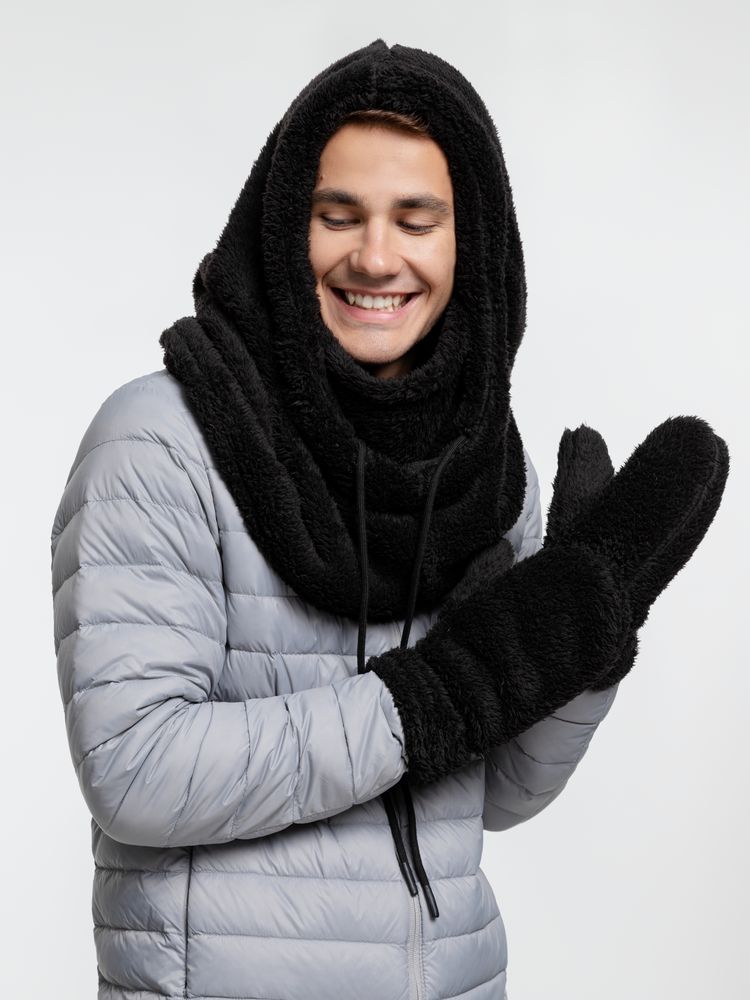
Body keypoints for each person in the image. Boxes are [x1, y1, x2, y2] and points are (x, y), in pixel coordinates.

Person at [50, 39, 728, 1000]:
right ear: (284, 227)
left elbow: (499, 794)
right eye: (338, 217)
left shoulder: (486, 468)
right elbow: (136, 771)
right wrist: (431, 696)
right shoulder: (164, 438)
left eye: (416, 221)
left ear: (470, 241)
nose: (374, 256)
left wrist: (583, 644)